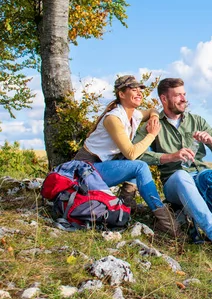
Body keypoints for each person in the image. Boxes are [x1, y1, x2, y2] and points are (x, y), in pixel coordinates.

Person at [134, 78, 212, 258]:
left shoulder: (197, 120)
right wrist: (171, 156)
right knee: (182, 175)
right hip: (175, 182)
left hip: (203, 176)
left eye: (184, 94)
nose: (183, 99)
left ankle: (211, 212)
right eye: (177, 95)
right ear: (164, 99)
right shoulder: (154, 124)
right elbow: (137, 154)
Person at [73, 75, 181, 237]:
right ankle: (166, 222)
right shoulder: (114, 118)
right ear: (121, 94)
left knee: (141, 147)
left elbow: (152, 110)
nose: (139, 92)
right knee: (139, 163)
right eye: (133, 89)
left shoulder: (134, 114)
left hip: (99, 169)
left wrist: (153, 118)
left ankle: (126, 199)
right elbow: (131, 154)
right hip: (84, 171)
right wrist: (152, 134)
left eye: (140, 89)